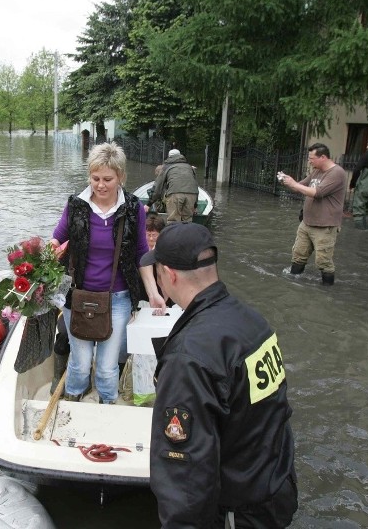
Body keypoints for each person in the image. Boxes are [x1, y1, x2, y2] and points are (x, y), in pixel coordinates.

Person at [141, 222, 298, 528]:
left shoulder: (188, 358)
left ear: (169, 275)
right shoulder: (253, 322)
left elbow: (184, 474)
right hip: (274, 491)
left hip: (236, 513)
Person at [50, 142, 151, 404]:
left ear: (121, 177)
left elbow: (141, 252)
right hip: (77, 296)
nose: (101, 185)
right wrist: (40, 259)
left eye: (108, 179)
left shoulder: (133, 209)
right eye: (95, 178)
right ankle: (74, 397)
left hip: (118, 298)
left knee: (107, 367)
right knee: (81, 363)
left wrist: (153, 295)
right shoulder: (75, 206)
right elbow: (56, 240)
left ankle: (108, 404)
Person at [278, 143, 347, 286]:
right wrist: (287, 181)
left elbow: (318, 193)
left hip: (325, 226)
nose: (310, 161)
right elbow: (301, 186)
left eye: (312, 158)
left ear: (323, 157)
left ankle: (327, 291)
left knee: (323, 261)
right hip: (306, 223)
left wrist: (294, 184)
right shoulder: (317, 171)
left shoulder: (337, 173)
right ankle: (292, 284)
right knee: (298, 255)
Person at [150, 148, 198, 223]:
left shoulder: (166, 167)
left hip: (175, 194)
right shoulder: (189, 167)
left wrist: (149, 203)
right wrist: (195, 205)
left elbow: (158, 186)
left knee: (173, 220)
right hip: (192, 195)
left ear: (169, 156)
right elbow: (195, 186)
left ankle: (173, 233)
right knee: (188, 220)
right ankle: (187, 233)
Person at [141, 212, 168, 315]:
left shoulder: (165, 249)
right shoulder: (141, 249)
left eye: (154, 235)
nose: (151, 238)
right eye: (148, 235)